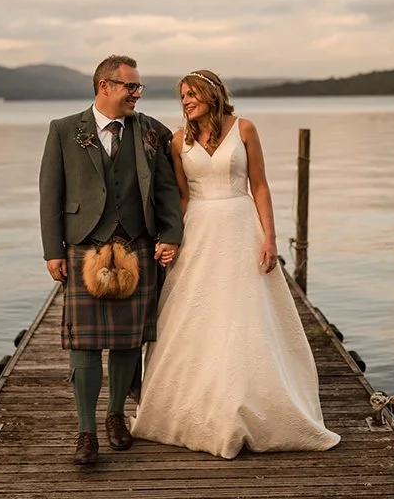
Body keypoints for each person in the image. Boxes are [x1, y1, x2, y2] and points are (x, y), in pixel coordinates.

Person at [130, 69, 340, 458]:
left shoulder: (245, 129)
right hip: (199, 233)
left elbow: (259, 185)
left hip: (242, 227)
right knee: (196, 316)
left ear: (212, 94)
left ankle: (252, 402)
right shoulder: (178, 141)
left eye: (192, 94)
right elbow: (181, 199)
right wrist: (171, 239)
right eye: (182, 96)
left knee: (246, 314)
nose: (187, 101)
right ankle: (193, 405)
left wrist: (270, 238)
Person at [38, 54, 184, 466]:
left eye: (138, 87)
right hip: (85, 245)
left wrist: (171, 234)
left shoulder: (151, 131)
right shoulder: (65, 130)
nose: (137, 93)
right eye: (130, 87)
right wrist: (52, 250)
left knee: (127, 341)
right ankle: (85, 431)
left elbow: (167, 192)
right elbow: (50, 193)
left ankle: (116, 416)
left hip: (137, 245)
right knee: (83, 345)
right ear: (104, 86)